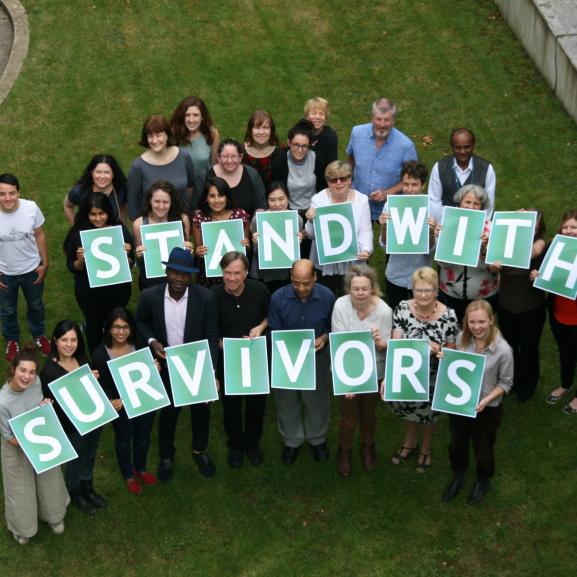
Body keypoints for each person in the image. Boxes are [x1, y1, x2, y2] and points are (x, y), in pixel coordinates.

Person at [135, 247, 218, 483]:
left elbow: (212, 334)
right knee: (168, 413)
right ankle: (166, 456)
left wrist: (211, 371)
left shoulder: (206, 298)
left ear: (190, 275)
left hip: (196, 364)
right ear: (167, 271)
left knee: (201, 411)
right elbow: (140, 321)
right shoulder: (150, 296)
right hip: (168, 365)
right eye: (175, 273)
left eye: (185, 274)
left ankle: (199, 450)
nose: (179, 279)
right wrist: (152, 342)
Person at [442, 300, 513, 505]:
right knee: (457, 442)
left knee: (483, 447)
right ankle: (458, 475)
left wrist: (487, 399)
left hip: (487, 409)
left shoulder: (503, 350)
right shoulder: (462, 339)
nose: (477, 327)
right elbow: (456, 368)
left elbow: (506, 383)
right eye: (472, 322)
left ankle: (483, 479)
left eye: (482, 321)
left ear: (491, 320)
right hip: (460, 404)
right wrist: (445, 358)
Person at [389, 267, 459, 473]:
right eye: (418, 290)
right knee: (409, 411)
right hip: (408, 374)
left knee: (429, 415)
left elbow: (452, 350)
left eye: (428, 290)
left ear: (437, 291)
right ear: (412, 290)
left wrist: (439, 350)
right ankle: (409, 443)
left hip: (433, 376)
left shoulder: (449, 316)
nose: (423, 295)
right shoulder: (402, 308)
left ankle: (425, 448)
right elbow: (396, 342)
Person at [267, 259, 335, 464]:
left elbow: (334, 327)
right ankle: (292, 441)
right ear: (290, 277)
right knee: (286, 400)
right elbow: (273, 329)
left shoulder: (327, 296)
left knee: (317, 400)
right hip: (286, 356)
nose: (301, 288)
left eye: (306, 283)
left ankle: (317, 439)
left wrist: (324, 338)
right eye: (296, 283)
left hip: (317, 354)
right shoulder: (278, 298)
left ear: (315, 277)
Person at [0, 346, 69, 545]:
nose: (27, 377)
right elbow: (7, 436)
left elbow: (37, 406)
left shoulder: (37, 382)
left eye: (31, 372)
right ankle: (23, 528)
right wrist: (29, 444)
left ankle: (54, 516)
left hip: (40, 437)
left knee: (50, 477)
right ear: (13, 369)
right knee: (20, 488)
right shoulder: (2, 402)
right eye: (22, 370)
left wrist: (44, 406)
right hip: (15, 445)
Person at [331, 265, 392, 476]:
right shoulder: (340, 306)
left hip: (374, 369)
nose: (359, 293)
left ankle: (368, 447)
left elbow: (385, 347)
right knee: (349, 418)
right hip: (346, 369)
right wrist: (347, 381)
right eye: (355, 288)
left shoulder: (384, 311)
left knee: (368, 414)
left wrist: (379, 341)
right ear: (349, 288)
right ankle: (344, 451)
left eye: (364, 288)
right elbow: (339, 345)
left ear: (372, 288)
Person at [40, 320, 105, 515]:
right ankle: (75, 491)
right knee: (76, 460)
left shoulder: (82, 358)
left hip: (94, 418)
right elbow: (51, 404)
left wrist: (93, 380)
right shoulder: (49, 371)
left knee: (91, 453)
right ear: (55, 341)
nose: (69, 344)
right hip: (71, 426)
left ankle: (88, 486)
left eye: (74, 340)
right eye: (64, 340)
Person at [214, 251, 270, 468]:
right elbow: (210, 329)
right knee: (231, 406)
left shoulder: (259, 290)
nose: (232, 278)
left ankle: (253, 443)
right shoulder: (214, 296)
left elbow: (270, 316)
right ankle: (236, 444)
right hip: (228, 359)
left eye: (237, 273)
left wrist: (261, 327)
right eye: (227, 273)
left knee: (256, 404)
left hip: (255, 357)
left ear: (246, 272)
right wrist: (220, 343)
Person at [92, 308, 157, 494]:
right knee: (123, 440)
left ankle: (141, 468)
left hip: (144, 400)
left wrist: (155, 368)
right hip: (121, 407)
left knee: (143, 438)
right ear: (108, 329)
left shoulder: (139, 343)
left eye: (125, 327)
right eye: (116, 327)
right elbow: (100, 385)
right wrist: (111, 400)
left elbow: (148, 366)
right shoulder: (100, 355)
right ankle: (128, 474)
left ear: (131, 328)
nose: (121, 332)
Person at [63, 192, 134, 354]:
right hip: (89, 292)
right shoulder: (78, 234)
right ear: (86, 214)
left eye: (101, 213)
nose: (97, 218)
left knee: (116, 323)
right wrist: (80, 260)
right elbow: (72, 267)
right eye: (93, 214)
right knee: (94, 326)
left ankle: (117, 354)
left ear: (108, 212)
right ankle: (97, 358)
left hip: (117, 290)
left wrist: (125, 257)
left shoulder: (119, 230)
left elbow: (130, 264)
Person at [495, 210, 546, 402]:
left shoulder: (541, 244)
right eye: (526, 221)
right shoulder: (503, 242)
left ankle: (528, 386)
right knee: (510, 347)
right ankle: (512, 381)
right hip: (507, 305)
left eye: (534, 222)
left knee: (530, 348)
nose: (531, 225)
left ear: (539, 227)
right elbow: (495, 266)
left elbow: (534, 252)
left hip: (532, 307)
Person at [0, 173, 50, 362]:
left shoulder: (31, 208)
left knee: (36, 305)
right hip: (5, 273)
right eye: (2, 194)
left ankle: (39, 335)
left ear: (18, 192)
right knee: (7, 310)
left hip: (32, 269)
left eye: (12, 193)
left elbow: (40, 235)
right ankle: (12, 340)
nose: (7, 199)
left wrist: (45, 263)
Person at [378, 160, 441, 310]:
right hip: (395, 275)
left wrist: (431, 233)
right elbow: (385, 245)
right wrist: (384, 228)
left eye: (414, 185)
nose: (409, 189)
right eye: (406, 184)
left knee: (422, 318)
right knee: (396, 317)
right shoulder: (390, 205)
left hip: (422, 277)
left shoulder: (434, 209)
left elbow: (434, 250)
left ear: (423, 185)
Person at [305, 160, 373, 296]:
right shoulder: (318, 200)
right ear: (327, 182)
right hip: (325, 263)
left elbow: (365, 229)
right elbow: (311, 235)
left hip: (352, 260)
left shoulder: (362, 200)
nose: (338, 183)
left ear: (350, 180)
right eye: (333, 180)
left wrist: (366, 249)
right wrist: (310, 221)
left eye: (343, 178)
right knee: (326, 299)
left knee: (351, 299)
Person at [346, 97, 418, 221]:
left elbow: (412, 178)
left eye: (387, 120)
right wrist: (348, 183)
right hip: (358, 202)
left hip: (388, 208)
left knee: (388, 240)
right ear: (372, 118)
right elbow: (351, 158)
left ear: (393, 120)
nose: (382, 125)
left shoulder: (405, 145)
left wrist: (387, 193)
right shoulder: (357, 133)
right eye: (378, 119)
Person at [534, 210, 577, 414]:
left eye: (574, 227)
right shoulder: (555, 248)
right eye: (566, 227)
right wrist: (538, 275)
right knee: (565, 351)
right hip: (559, 314)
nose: (569, 231)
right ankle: (566, 384)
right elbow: (547, 273)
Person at [437, 184, 499, 323]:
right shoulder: (447, 224)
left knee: (480, 336)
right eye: (467, 202)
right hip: (451, 294)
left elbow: (494, 268)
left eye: (476, 203)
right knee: (451, 336)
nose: (471, 207)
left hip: (483, 296)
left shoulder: (491, 228)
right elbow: (442, 264)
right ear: (459, 203)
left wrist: (483, 252)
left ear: (482, 206)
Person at [127, 114, 196, 221]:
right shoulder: (137, 166)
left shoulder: (184, 156)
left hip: (181, 220)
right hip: (151, 226)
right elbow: (132, 203)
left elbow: (190, 187)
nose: (154, 140)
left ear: (167, 135)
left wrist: (188, 216)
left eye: (158, 135)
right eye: (150, 136)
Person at [192, 176, 251, 288]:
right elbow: (199, 251)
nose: (216, 200)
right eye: (212, 196)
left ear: (227, 197)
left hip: (235, 276)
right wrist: (199, 252)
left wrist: (246, 245)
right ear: (206, 198)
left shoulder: (240, 215)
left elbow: (246, 251)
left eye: (220, 195)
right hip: (208, 277)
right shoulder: (199, 217)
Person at [133, 180, 192, 290]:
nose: (161, 206)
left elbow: (187, 250)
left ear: (172, 203)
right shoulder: (139, 224)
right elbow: (140, 261)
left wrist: (189, 249)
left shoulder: (183, 219)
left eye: (165, 202)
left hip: (178, 278)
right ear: (150, 201)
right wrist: (138, 254)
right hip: (151, 280)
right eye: (157, 201)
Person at [249, 181, 304, 294]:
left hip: (287, 274)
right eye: (272, 200)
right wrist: (255, 243)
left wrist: (299, 241)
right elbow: (255, 254)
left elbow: (295, 252)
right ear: (267, 200)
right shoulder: (258, 220)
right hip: (263, 274)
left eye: (281, 199)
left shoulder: (297, 219)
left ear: (288, 198)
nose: (277, 204)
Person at [428, 128, 496, 217]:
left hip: (476, 224)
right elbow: (433, 201)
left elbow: (489, 204)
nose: (462, 151)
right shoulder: (439, 167)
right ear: (452, 147)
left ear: (473, 145)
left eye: (466, 147)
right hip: (446, 224)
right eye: (458, 148)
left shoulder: (486, 168)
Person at [271, 119, 326, 215]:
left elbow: (322, 188)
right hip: (288, 211)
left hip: (313, 210)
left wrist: (315, 209)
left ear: (309, 145)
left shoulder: (317, 160)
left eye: (304, 146)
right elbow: (278, 191)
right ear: (289, 143)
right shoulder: (280, 162)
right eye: (296, 145)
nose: (300, 150)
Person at [170, 96, 220, 195]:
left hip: (202, 190)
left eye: (196, 115)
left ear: (202, 117)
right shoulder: (174, 133)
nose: (191, 120)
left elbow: (214, 166)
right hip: (177, 190)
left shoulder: (212, 134)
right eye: (187, 115)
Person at [210, 139, 266, 218]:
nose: (229, 161)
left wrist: (255, 225)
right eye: (225, 156)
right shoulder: (207, 175)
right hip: (213, 226)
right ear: (218, 157)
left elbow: (261, 205)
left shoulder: (252, 174)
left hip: (247, 227)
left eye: (234, 156)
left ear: (240, 157)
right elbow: (197, 207)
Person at [63, 154, 127, 224]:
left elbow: (123, 206)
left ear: (113, 174)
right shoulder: (80, 191)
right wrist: (75, 226)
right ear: (92, 173)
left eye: (107, 172)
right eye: (98, 172)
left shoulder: (121, 189)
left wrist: (121, 225)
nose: (102, 176)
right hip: (87, 231)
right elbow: (67, 205)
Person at [242, 109, 282, 185]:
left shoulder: (280, 152)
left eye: (265, 128)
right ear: (250, 130)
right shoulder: (240, 152)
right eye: (257, 127)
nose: (261, 132)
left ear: (271, 130)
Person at [304, 97, 338, 173]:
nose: (317, 117)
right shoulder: (299, 133)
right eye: (314, 113)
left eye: (321, 114)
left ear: (325, 118)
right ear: (307, 116)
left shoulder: (330, 137)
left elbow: (331, 166)